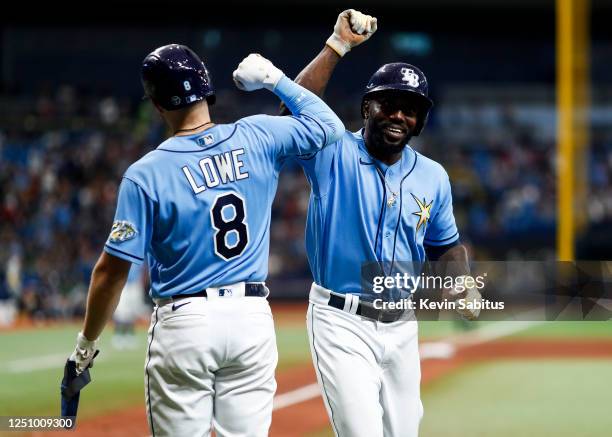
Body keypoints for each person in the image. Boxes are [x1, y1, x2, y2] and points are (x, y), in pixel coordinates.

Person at [67, 44, 344, 436]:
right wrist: (277, 79)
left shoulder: (145, 173)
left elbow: (111, 272)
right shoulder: (258, 134)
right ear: (207, 90)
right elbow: (329, 126)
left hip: (186, 322)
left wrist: (85, 347)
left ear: (157, 105)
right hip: (251, 319)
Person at [281, 10, 481, 437]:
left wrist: (460, 281)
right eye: (388, 104)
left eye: (410, 109)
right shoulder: (332, 151)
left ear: (420, 120)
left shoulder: (433, 175)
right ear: (367, 106)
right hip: (341, 320)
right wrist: (337, 46)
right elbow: (290, 112)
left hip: (402, 324)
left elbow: (446, 245)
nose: (398, 116)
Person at [111, 263, 148, 349]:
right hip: (124, 284)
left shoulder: (140, 252)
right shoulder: (124, 251)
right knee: (121, 311)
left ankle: (130, 335)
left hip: (135, 284)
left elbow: (144, 270)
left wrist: (142, 284)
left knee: (133, 312)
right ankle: (118, 335)